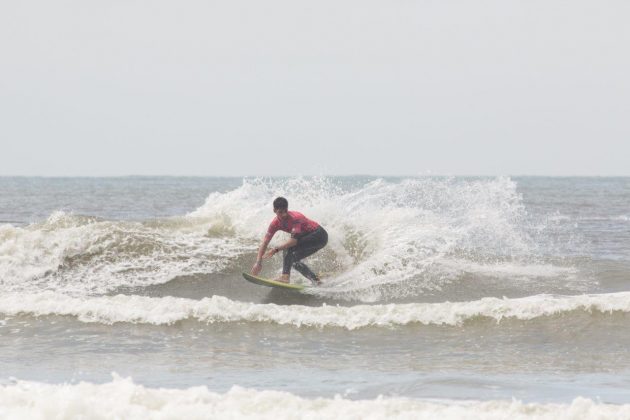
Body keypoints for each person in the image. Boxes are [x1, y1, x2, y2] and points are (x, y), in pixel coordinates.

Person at [251, 197, 328, 285]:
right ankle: (316, 280)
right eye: (280, 212)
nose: (284, 214)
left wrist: (275, 249)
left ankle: (285, 277)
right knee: (293, 261)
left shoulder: (295, 218)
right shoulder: (274, 224)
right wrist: (258, 262)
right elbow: (265, 242)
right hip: (311, 238)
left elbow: (293, 242)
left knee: (289, 249)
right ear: (274, 210)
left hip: (319, 235)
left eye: (285, 211)